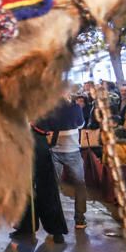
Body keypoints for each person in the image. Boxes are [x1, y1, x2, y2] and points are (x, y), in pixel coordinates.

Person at [36, 94, 89, 229]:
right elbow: (81, 123)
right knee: (80, 185)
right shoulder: (75, 108)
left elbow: (44, 128)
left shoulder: (50, 109)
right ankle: (80, 219)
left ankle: (54, 222)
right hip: (73, 151)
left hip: (55, 151)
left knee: (53, 187)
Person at [13, 127, 68, 243]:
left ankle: (56, 229)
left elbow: (53, 122)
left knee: (47, 187)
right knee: (23, 188)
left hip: (39, 141)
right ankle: (26, 226)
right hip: (20, 142)